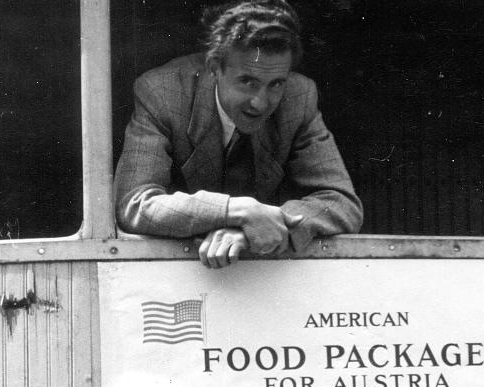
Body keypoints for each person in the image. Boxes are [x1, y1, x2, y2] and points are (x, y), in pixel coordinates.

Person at [114, 0, 362, 269]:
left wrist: (257, 227)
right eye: (247, 82)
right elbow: (135, 203)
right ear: (214, 68)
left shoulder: (299, 97)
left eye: (276, 84)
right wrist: (236, 211)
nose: (260, 103)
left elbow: (342, 202)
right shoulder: (162, 92)